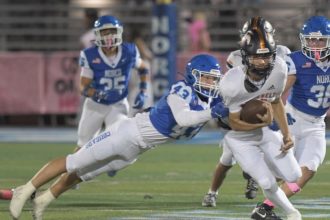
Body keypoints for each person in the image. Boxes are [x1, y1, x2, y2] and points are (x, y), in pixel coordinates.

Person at [9, 54, 229, 220]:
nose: (211, 83)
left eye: (213, 79)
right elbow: (183, 119)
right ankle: (26, 189)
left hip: (137, 149)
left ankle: (43, 199)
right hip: (126, 134)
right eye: (207, 78)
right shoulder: (183, 89)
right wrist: (212, 113)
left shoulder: (208, 102)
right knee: (73, 162)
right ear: (193, 76)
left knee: (84, 174)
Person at [207, 17, 302, 220]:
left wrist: (286, 135)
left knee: (295, 176)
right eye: (256, 57)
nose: (262, 61)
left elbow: (275, 101)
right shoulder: (231, 82)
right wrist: (263, 120)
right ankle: (291, 213)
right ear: (245, 55)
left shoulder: (279, 67)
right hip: (238, 136)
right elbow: (233, 121)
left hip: (263, 129)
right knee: (266, 182)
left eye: (266, 56)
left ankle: (258, 170)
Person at [251, 15, 330, 220]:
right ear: (304, 40)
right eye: (311, 39)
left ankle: (265, 208)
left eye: (320, 39)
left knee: (308, 170)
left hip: (316, 125)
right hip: (293, 120)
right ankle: (255, 172)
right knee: (283, 172)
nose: (315, 44)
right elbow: (278, 93)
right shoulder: (295, 60)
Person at [76, 15, 150, 153]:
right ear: (97, 34)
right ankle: (71, 172)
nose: (109, 36)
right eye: (105, 32)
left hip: (118, 104)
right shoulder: (90, 55)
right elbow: (83, 87)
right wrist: (97, 93)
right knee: (82, 147)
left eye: (112, 31)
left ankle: (110, 163)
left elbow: (143, 68)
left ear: (119, 32)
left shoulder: (129, 51)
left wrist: (143, 91)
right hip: (95, 105)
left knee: (118, 142)